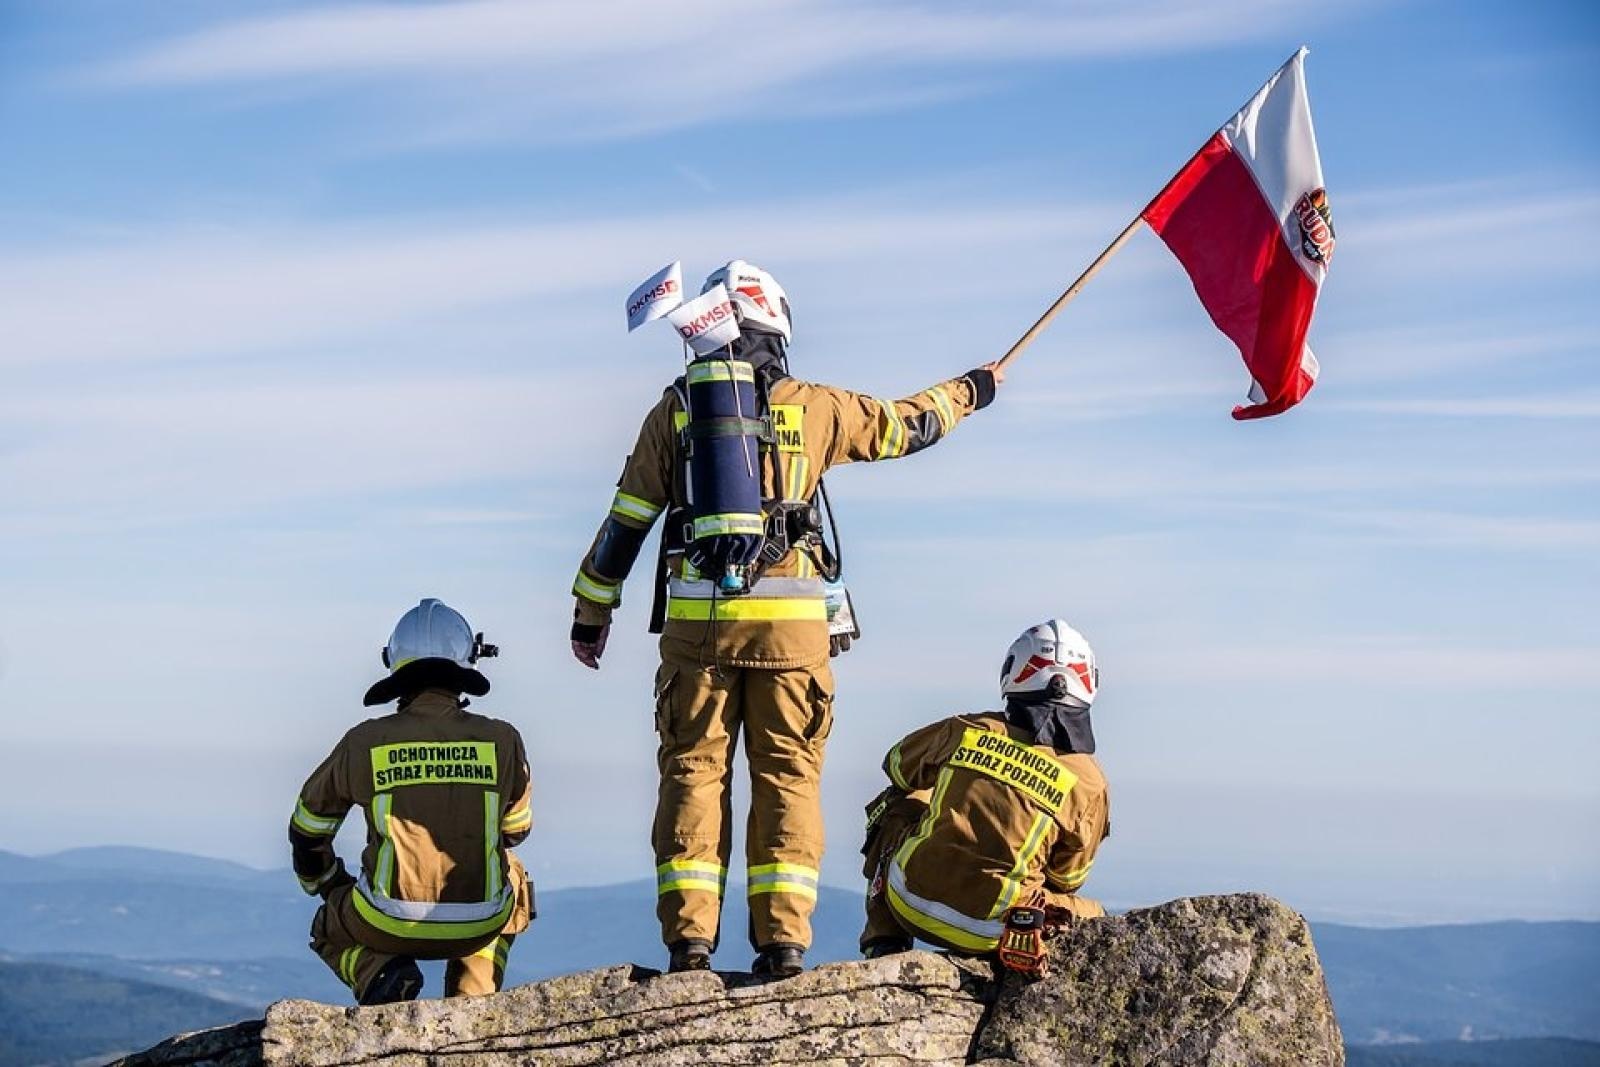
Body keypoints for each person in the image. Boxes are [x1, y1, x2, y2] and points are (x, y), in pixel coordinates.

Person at [569, 260, 1003, 976]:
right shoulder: (817, 407)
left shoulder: (675, 410)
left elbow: (627, 520)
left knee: (693, 775)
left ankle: (690, 944)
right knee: (789, 780)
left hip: (700, 633)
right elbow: (910, 425)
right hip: (795, 638)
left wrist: (592, 612)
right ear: (776, 325)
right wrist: (973, 389)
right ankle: (783, 946)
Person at [288, 598, 534, 1004]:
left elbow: (307, 830)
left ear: (395, 665)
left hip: (384, 922)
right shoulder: (503, 739)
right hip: (482, 924)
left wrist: (329, 885)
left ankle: (379, 974)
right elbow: (515, 831)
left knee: (327, 928)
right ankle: (474, 995)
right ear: (469, 661)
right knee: (515, 876)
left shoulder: (364, 741)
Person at [859, 619, 1110, 976]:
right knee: (1095, 913)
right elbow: (1067, 878)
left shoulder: (969, 730)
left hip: (907, 902)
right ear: (1089, 683)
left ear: (1013, 673)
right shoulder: (1089, 782)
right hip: (996, 931)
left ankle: (883, 941)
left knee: (901, 799)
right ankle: (1022, 955)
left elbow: (897, 767)